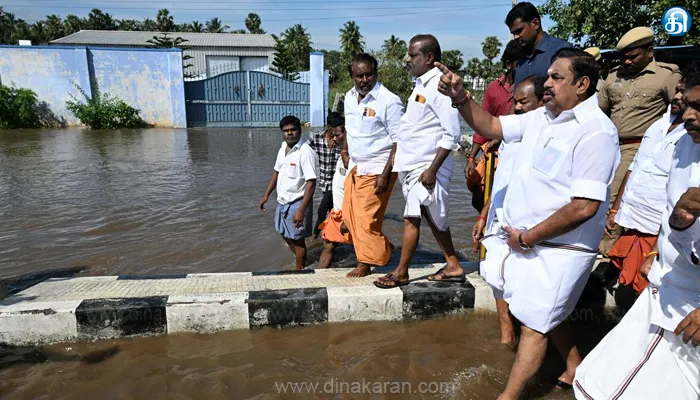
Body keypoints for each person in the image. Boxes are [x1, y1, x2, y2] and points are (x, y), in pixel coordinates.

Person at [435, 48, 620, 399]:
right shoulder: (541, 118)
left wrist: (528, 237)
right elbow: (490, 125)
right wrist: (460, 98)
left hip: (559, 248)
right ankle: (574, 366)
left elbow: (584, 206)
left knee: (535, 325)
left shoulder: (596, 131)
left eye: (556, 78)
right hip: (524, 241)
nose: (546, 84)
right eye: (548, 77)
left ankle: (509, 396)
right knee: (544, 314)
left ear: (582, 84)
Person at [574, 62, 700, 400]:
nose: (688, 115)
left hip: (692, 311)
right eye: (687, 104)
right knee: (600, 378)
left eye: (698, 107)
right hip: (668, 290)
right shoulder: (685, 146)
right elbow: (672, 211)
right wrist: (660, 250)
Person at [373, 34, 464, 289]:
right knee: (434, 218)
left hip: (427, 167)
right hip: (414, 165)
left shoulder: (440, 86)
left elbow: (452, 132)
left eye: (413, 55)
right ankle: (453, 264)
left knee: (411, 216)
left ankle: (401, 272)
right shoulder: (421, 84)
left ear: (429, 58)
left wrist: (432, 170)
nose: (408, 59)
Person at [473, 74, 547, 345]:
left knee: (528, 287)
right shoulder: (510, 137)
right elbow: (501, 181)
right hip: (498, 218)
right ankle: (507, 335)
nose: (517, 108)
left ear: (542, 102)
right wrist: (484, 215)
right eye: (515, 102)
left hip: (526, 225)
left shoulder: (545, 138)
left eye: (524, 103)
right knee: (495, 276)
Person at [598, 26, 681, 255]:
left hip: (640, 149)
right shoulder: (613, 77)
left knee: (616, 200)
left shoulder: (666, 75)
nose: (627, 62)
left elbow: (681, 112)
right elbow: (600, 113)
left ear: (649, 52)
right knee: (601, 197)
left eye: (633, 57)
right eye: (624, 57)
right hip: (610, 147)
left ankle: (608, 258)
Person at [606, 79, 687, 311]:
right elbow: (635, 167)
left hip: (658, 227)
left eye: (683, 91)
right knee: (628, 283)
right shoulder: (658, 124)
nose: (677, 96)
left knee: (649, 287)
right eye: (677, 90)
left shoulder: (690, 136)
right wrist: (615, 210)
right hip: (633, 219)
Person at [342, 53, 404, 278]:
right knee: (349, 218)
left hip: (379, 168)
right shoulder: (349, 98)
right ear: (352, 76)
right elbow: (350, 128)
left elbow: (399, 141)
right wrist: (344, 151)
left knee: (366, 220)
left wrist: (386, 174)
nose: (364, 80)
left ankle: (366, 262)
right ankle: (384, 248)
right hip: (356, 167)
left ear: (375, 74)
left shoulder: (389, 101)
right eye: (359, 76)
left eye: (369, 74)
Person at [466, 40, 522, 213]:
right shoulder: (493, 88)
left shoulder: (529, 87)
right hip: (493, 154)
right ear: (509, 64)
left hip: (518, 152)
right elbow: (484, 123)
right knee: (480, 199)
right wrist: (471, 158)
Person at [259, 115, 319, 270]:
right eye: (286, 130)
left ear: (299, 130)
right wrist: (266, 195)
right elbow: (276, 172)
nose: (289, 133)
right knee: (283, 232)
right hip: (282, 201)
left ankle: (299, 270)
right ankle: (302, 259)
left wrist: (301, 210)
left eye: (293, 130)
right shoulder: (282, 149)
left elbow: (311, 183)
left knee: (298, 240)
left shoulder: (306, 152)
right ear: (281, 132)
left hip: (297, 202)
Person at [505, 1, 571, 88]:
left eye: (519, 31)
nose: (516, 37)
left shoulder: (562, 51)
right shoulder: (519, 58)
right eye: (513, 33)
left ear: (535, 23)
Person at [318, 118, 352, 269]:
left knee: (367, 244)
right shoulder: (341, 154)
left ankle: (389, 256)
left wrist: (348, 217)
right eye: (333, 135)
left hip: (350, 213)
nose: (334, 138)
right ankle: (320, 276)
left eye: (338, 135)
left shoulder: (354, 158)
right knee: (328, 244)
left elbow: (356, 192)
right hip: (336, 211)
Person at [308, 112, 343, 239]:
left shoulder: (341, 140)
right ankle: (332, 237)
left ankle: (314, 235)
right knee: (332, 210)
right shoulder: (316, 138)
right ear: (329, 126)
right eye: (334, 128)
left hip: (337, 183)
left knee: (322, 209)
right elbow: (304, 152)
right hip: (323, 183)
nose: (336, 133)